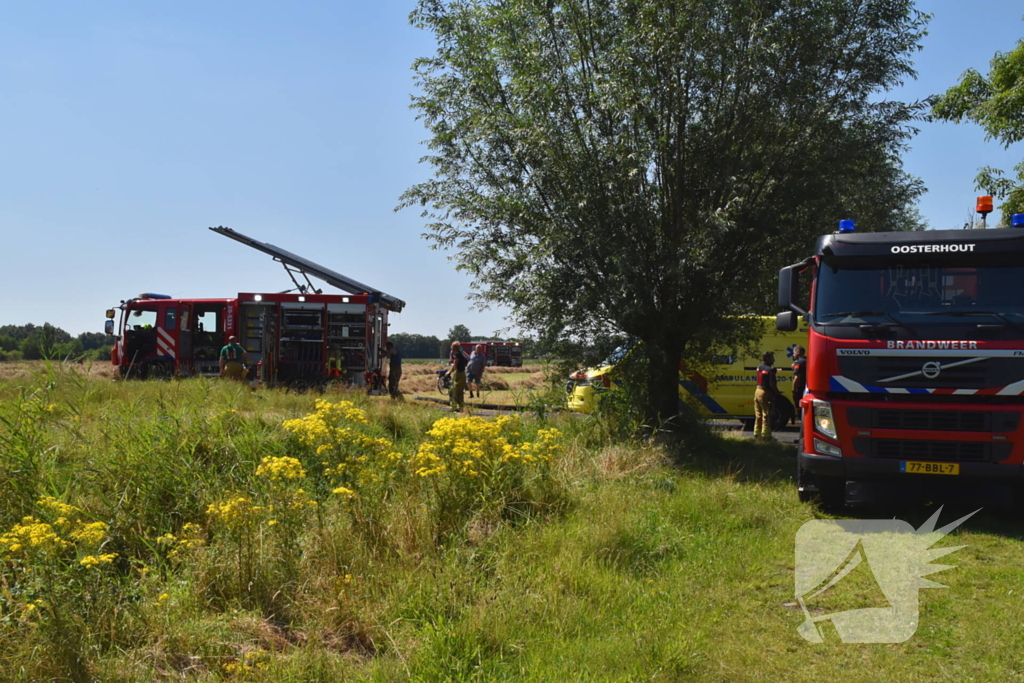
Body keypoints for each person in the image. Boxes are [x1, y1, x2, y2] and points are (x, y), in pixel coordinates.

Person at [753, 351, 779, 441]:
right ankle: (766, 435)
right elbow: (772, 383)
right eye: (772, 358)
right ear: (767, 359)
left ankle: (757, 433)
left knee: (758, 414)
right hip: (765, 392)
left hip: (757, 391)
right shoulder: (770, 370)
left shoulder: (759, 367)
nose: (774, 360)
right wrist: (776, 391)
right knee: (767, 414)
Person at [448, 340, 468, 411]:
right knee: (460, 392)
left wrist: (449, 372)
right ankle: (461, 407)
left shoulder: (456, 355)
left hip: (458, 374)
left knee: (453, 391)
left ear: (453, 348)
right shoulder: (460, 354)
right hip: (462, 374)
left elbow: (455, 365)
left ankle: (453, 407)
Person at [791, 346, 807, 424]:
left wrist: (793, 390)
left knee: (800, 410)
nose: (793, 354)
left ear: (798, 352)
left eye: (794, 352)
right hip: (807, 388)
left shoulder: (798, 363)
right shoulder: (807, 361)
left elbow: (797, 378)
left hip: (800, 389)